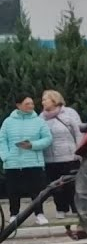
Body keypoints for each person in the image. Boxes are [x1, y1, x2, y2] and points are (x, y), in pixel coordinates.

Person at [0, 94, 53, 226]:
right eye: (27, 104)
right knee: (13, 190)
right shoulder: (8, 122)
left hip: (34, 162)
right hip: (12, 163)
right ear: (18, 106)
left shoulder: (39, 121)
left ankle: (39, 214)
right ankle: (13, 215)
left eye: (31, 103)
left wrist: (33, 145)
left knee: (37, 190)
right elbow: (2, 140)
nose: (30, 106)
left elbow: (47, 138)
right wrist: (5, 156)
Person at [39, 90, 83, 219]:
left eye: (45, 99)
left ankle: (76, 208)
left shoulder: (69, 113)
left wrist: (80, 151)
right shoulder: (41, 117)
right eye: (42, 100)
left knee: (72, 184)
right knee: (55, 186)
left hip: (69, 156)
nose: (43, 102)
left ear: (54, 100)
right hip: (50, 158)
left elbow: (79, 132)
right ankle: (60, 208)